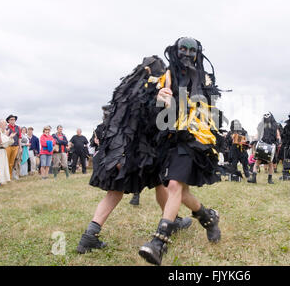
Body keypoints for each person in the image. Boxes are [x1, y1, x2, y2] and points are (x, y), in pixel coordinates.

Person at [76, 54, 192, 258]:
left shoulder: (126, 89)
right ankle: (172, 222)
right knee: (160, 183)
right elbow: (153, 121)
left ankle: (89, 236)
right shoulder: (152, 91)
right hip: (134, 151)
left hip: (117, 150)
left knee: (118, 192)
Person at [138, 37, 223, 266]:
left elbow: (213, 110)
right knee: (178, 189)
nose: (187, 53)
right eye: (182, 49)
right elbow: (148, 103)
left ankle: (159, 243)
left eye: (191, 50)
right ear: (176, 51)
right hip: (168, 138)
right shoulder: (166, 76)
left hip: (193, 138)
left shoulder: (203, 77)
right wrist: (158, 97)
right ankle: (208, 218)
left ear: (197, 53)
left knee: (174, 185)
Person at [248, 112, 281, 184]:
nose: (266, 117)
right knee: (257, 161)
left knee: (270, 162)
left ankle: (270, 179)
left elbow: (278, 135)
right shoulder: (261, 125)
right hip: (262, 145)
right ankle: (253, 178)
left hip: (271, 146)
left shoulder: (275, 125)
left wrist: (278, 141)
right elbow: (257, 135)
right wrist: (253, 141)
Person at [0, 119, 14, 185]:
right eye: (3, 124)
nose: (5, 125)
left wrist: (10, 137)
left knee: (4, 165)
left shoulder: (4, 132)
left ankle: (4, 179)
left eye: (5, 124)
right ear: (0, 125)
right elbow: (0, 142)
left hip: (3, 150)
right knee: (0, 165)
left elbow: (8, 143)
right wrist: (9, 137)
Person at [5, 114, 21, 180]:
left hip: (16, 146)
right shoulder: (6, 128)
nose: (13, 121)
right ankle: (7, 176)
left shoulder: (18, 127)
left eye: (14, 119)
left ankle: (11, 176)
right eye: (11, 119)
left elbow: (19, 137)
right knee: (7, 161)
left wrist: (20, 147)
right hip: (8, 146)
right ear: (8, 121)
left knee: (13, 162)